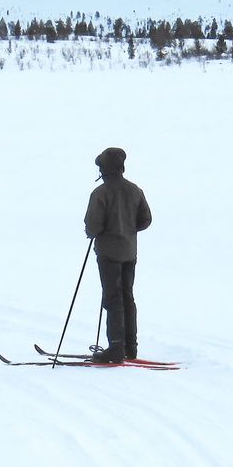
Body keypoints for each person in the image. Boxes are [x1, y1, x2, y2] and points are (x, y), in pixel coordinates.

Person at [84, 147, 152, 364]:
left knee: (113, 298)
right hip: (129, 252)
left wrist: (97, 232)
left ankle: (115, 348)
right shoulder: (135, 191)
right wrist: (128, 230)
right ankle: (130, 348)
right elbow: (146, 220)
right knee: (127, 297)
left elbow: (92, 225)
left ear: (103, 169)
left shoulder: (100, 193)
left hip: (108, 254)